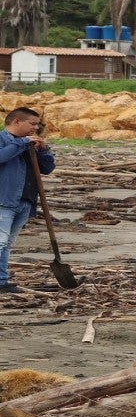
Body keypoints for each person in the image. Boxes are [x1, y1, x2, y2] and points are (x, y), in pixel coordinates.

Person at [0, 108, 55, 294]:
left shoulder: (31, 144)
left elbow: (47, 168)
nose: (36, 127)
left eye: (37, 124)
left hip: (25, 201)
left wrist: (44, 150)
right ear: (16, 121)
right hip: (4, 200)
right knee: (0, 242)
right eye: (32, 124)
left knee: (7, 244)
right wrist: (22, 143)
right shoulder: (3, 140)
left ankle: (1, 281)